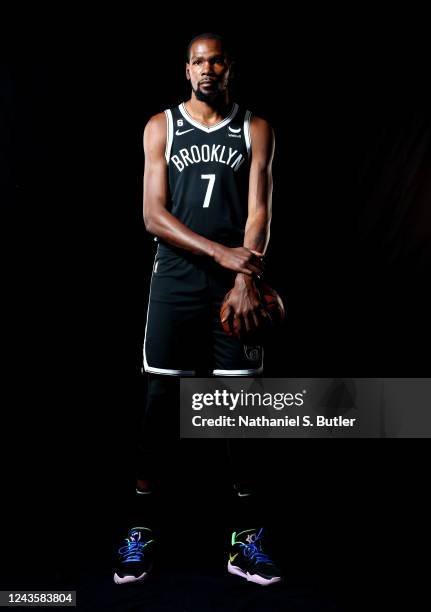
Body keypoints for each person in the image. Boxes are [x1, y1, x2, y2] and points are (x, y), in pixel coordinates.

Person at [113, 33, 282, 587]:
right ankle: (140, 531)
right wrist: (223, 255)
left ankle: (245, 539)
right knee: (160, 408)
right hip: (176, 284)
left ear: (230, 68)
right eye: (199, 61)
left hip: (234, 291)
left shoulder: (255, 128)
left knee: (240, 413)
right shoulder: (160, 126)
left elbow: (259, 212)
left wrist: (243, 276)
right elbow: (152, 216)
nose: (208, 69)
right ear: (186, 70)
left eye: (218, 60)